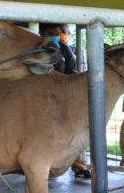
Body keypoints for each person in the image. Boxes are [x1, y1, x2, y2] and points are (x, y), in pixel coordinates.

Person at [39, 23, 92, 179]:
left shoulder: (64, 49)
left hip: (62, 100)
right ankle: (43, 167)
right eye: (51, 32)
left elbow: (72, 71)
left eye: (58, 32)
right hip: (39, 100)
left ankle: (79, 166)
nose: (56, 35)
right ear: (42, 33)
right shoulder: (35, 49)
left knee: (68, 132)